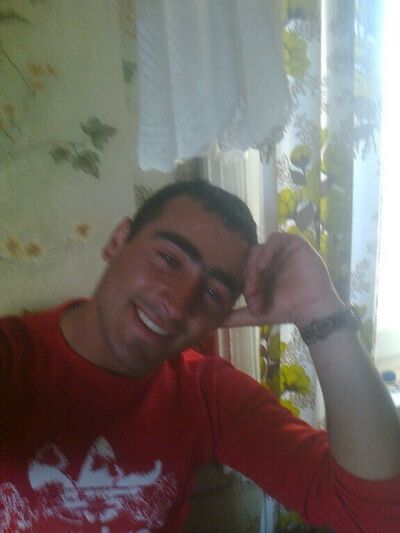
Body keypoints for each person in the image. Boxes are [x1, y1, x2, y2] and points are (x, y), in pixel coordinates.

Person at [0, 180, 399, 532]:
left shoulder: (207, 393)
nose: (177, 306)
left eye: (213, 293)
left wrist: (319, 309)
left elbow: (375, 512)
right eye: (169, 259)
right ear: (119, 240)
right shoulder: (14, 358)